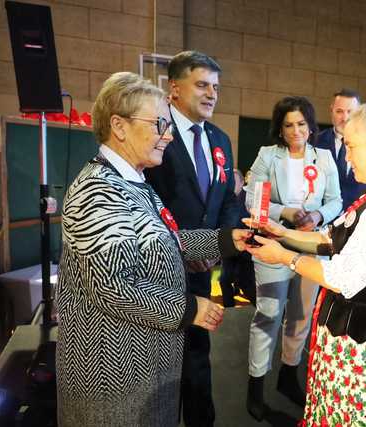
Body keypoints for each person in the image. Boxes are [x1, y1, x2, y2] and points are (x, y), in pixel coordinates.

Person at [56, 72, 249, 427]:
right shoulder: (98, 191)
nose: (169, 134)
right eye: (159, 122)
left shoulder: (133, 181)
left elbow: (164, 241)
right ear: (119, 126)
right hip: (113, 373)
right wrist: (189, 307)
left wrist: (227, 239)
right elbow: (114, 286)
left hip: (145, 361)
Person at [245, 101, 366, 426]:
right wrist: (281, 231)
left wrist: (284, 256)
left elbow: (340, 276)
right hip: (356, 335)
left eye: (351, 146)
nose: (347, 157)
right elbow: (329, 238)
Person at [145, 51, 239, 427]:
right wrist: (182, 250)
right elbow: (145, 204)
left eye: (215, 87)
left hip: (203, 270)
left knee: (198, 357)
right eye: (202, 85)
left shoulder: (220, 138)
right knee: (161, 362)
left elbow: (228, 200)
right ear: (174, 88)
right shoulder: (154, 132)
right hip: (157, 273)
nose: (212, 94)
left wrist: (217, 245)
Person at [245, 96, 342, 420]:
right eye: (288, 124)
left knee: (300, 316)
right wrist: (284, 211)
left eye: (301, 123)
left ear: (311, 126)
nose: (295, 130)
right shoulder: (267, 156)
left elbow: (336, 201)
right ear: (280, 128)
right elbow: (252, 199)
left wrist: (317, 214)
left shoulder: (324, 157)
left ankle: (289, 376)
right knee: (268, 314)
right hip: (273, 241)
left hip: (311, 245)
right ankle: (255, 388)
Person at [314, 88, 366, 213]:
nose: (345, 118)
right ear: (331, 111)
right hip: (322, 219)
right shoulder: (315, 143)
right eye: (339, 111)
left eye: (350, 112)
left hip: (359, 217)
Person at [219, 169, 256, 307]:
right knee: (224, 280)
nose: (231, 185)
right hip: (228, 248)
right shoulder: (224, 200)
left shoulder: (250, 200)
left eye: (234, 182)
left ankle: (264, 311)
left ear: (242, 183)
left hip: (246, 250)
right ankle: (229, 311)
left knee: (246, 284)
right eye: (229, 182)